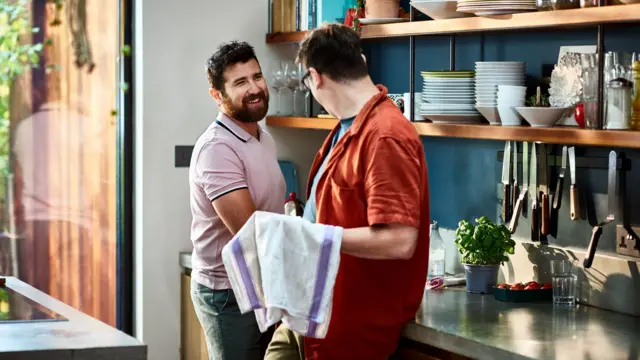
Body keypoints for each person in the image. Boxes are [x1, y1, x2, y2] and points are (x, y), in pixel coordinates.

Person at [265, 24, 431, 360]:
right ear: (362, 61)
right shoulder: (347, 128)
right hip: (307, 319)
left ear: (316, 77)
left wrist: (314, 236)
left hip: (348, 331)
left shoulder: (386, 135)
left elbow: (400, 240)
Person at [189, 41, 286, 360]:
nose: (255, 88)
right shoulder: (217, 149)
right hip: (226, 294)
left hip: (259, 284)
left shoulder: (263, 138)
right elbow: (250, 231)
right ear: (217, 95)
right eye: (240, 82)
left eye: (257, 76)